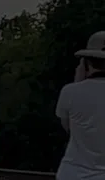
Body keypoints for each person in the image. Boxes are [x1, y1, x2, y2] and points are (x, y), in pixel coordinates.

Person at [56, 31, 105, 180]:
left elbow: (68, 127)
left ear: (86, 62)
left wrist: (77, 83)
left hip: (72, 172)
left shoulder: (69, 91)